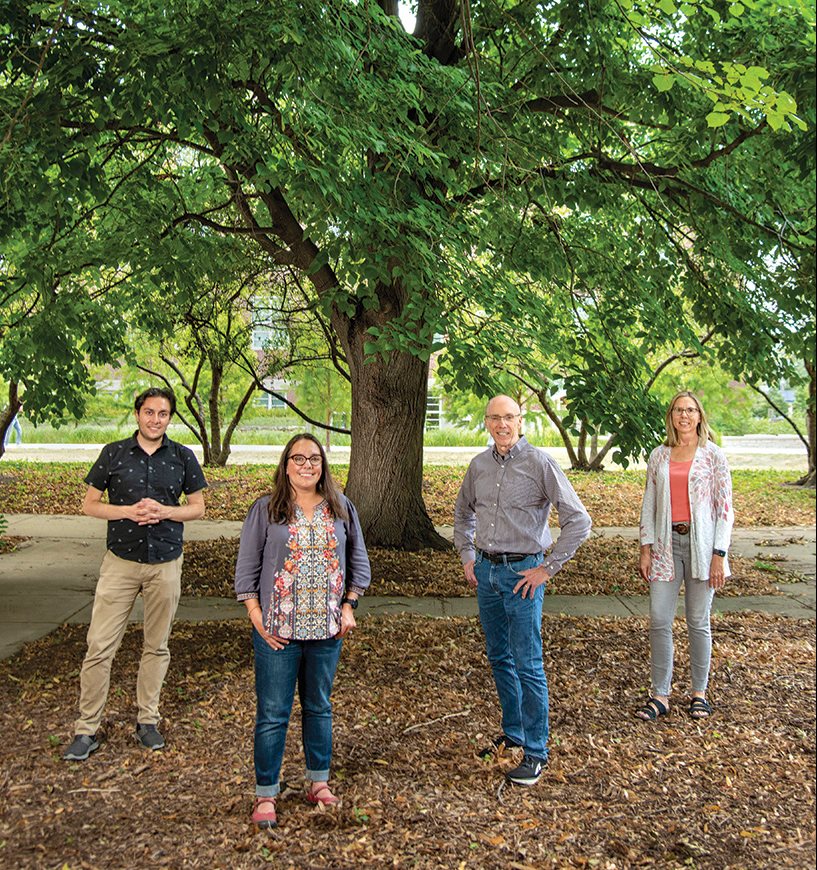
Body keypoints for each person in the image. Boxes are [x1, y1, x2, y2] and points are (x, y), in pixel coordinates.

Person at [235, 433, 371, 829]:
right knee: (273, 713)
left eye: (314, 458)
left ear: (323, 465)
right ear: (286, 464)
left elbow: (358, 560)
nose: (307, 465)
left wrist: (349, 605)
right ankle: (266, 793)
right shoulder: (267, 509)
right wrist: (256, 615)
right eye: (298, 458)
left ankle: (318, 782)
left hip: (327, 629)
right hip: (278, 631)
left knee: (319, 707)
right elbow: (247, 567)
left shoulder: (341, 507)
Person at [454, 395, 592, 787]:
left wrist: (547, 568)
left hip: (522, 575)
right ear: (486, 422)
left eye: (509, 417)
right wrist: (468, 557)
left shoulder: (540, 464)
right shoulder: (478, 466)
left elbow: (579, 520)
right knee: (499, 656)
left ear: (521, 420)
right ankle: (513, 733)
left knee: (528, 662)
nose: (502, 424)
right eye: (495, 418)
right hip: (486, 574)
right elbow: (463, 513)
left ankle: (536, 751)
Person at [62, 387, 207, 761]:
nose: (155, 419)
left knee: (156, 646)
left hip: (165, 562)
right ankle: (86, 728)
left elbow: (197, 508)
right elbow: (89, 505)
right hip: (121, 563)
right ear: (137, 414)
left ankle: (147, 721)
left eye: (162, 413)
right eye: (149, 412)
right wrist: (127, 511)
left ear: (169, 418)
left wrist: (164, 511)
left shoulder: (182, 457)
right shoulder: (113, 453)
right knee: (99, 646)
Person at [635, 390, 734, 722]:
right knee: (660, 619)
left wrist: (719, 554)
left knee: (697, 622)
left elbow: (725, 510)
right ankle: (660, 695)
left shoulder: (713, 456)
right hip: (665, 546)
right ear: (671, 416)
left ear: (700, 416)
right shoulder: (659, 456)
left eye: (691, 410)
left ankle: (699, 694)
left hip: (702, 547)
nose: (685, 416)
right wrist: (645, 548)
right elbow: (649, 504)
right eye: (679, 410)